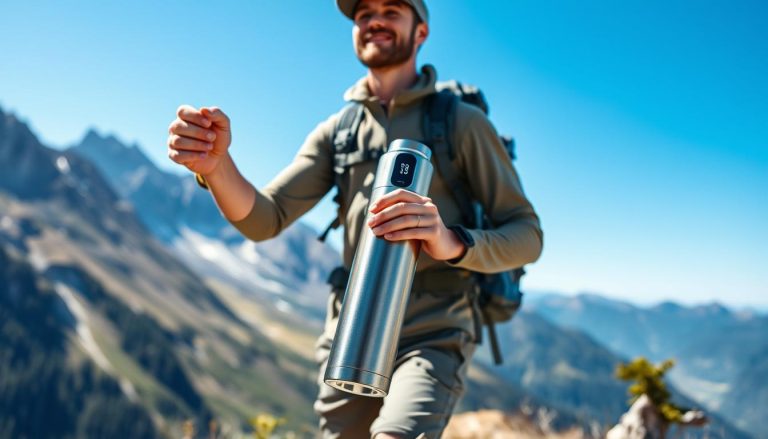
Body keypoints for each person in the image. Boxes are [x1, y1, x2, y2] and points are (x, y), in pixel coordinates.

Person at [166, 0, 543, 437]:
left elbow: (527, 234)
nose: (374, 20)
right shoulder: (339, 132)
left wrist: (450, 240)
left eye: (392, 9)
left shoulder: (461, 124)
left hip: (436, 330)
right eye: (363, 12)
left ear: (421, 32)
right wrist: (216, 167)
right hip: (352, 329)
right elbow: (264, 219)